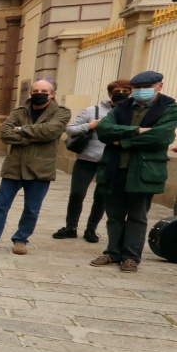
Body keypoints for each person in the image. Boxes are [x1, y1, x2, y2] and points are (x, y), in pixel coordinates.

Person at [91, 70, 177, 273]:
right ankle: (112, 252)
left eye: (146, 88)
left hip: (144, 170)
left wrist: (122, 140)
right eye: (137, 88)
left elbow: (160, 136)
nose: (140, 92)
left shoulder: (169, 107)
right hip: (115, 167)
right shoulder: (122, 107)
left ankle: (130, 257)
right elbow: (104, 130)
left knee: (137, 215)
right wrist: (137, 130)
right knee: (114, 214)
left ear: (159, 86)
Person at [0, 78, 70, 255]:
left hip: (40, 168)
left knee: (31, 209)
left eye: (43, 92)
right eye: (35, 92)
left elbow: (50, 132)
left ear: (52, 94)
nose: (38, 95)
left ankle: (21, 239)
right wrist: (32, 135)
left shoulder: (61, 113)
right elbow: (5, 134)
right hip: (14, 166)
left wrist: (20, 130)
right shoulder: (19, 111)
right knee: (0, 205)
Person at [52, 80, 131, 242]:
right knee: (76, 193)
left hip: (111, 161)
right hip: (86, 159)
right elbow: (70, 128)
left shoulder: (131, 113)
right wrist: (89, 126)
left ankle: (91, 229)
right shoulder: (92, 111)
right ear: (110, 93)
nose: (121, 93)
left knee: (101, 196)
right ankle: (70, 227)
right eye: (117, 90)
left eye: (125, 90)